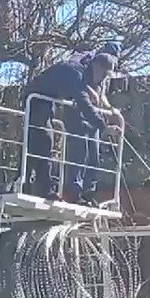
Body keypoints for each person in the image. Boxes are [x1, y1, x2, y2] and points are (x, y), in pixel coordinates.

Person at [22, 49, 122, 204]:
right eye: (102, 75)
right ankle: (41, 189)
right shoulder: (77, 73)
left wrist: (109, 109)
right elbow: (84, 104)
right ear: (96, 66)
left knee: (42, 142)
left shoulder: (86, 71)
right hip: (35, 97)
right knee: (44, 140)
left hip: (48, 99)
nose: (102, 80)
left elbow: (88, 93)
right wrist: (104, 127)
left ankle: (39, 187)